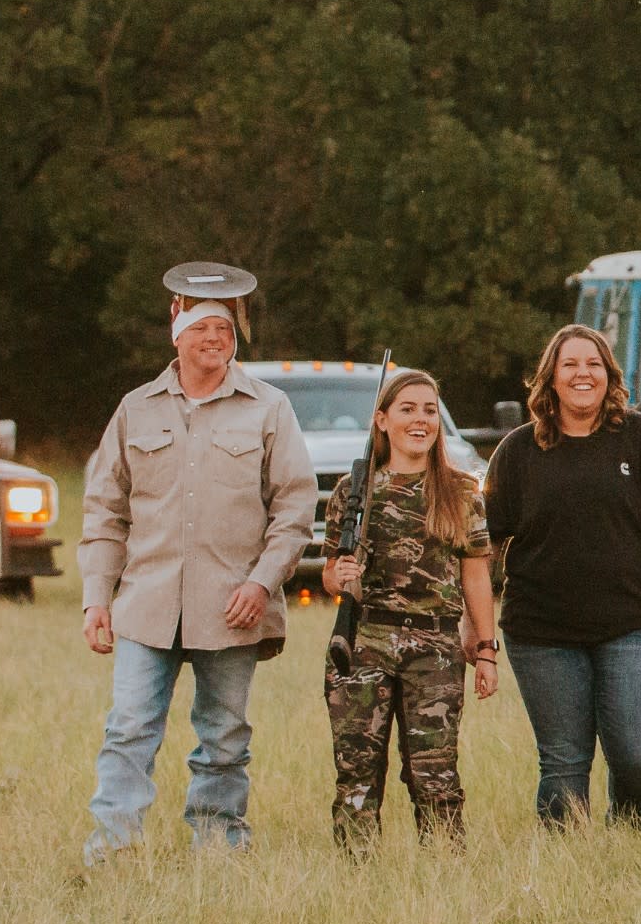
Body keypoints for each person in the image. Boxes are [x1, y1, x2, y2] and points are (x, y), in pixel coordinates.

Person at [75, 262, 315, 862]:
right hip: (146, 604)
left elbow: (294, 509)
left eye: (226, 330)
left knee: (225, 737)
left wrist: (261, 584)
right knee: (128, 728)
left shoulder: (269, 408)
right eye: (203, 328)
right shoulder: (136, 409)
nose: (214, 339)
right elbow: (105, 510)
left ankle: (219, 847)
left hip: (233, 607)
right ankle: (114, 850)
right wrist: (96, 598)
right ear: (176, 332)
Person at [483, 323, 641, 827]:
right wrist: (475, 624)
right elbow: (484, 548)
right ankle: (568, 871)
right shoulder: (518, 451)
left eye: (592, 364)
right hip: (541, 631)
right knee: (564, 765)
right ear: (550, 379)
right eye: (569, 365)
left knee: (638, 758)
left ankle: (631, 850)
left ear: (609, 375)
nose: (581, 374)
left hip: (633, 623)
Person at [319, 368, 499, 848]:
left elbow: (476, 575)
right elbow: (330, 568)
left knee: (436, 775)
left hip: (436, 649)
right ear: (381, 420)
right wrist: (338, 576)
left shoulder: (460, 492)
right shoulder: (352, 493)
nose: (420, 420)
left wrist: (485, 650)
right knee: (357, 771)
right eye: (407, 409)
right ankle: (358, 882)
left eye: (429, 411)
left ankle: (444, 876)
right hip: (364, 643)